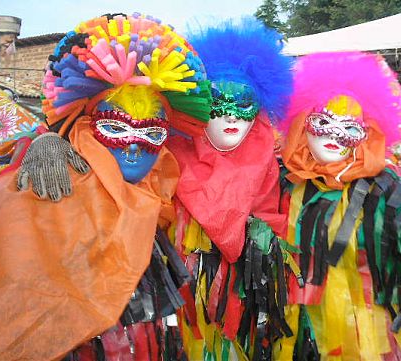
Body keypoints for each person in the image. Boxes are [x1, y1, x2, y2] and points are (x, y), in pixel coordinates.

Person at [0, 12, 211, 361]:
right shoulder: (52, 182)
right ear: (89, 126)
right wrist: (38, 140)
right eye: (116, 128)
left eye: (151, 133)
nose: (133, 147)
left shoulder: (164, 183)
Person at [277, 51, 401, 361]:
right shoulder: (285, 184)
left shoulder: (390, 189)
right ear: (302, 123)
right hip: (304, 334)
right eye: (323, 122)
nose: (335, 136)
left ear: (367, 132)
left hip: (375, 339)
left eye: (349, 128)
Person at [165, 18, 296, 360]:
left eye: (244, 103)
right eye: (218, 101)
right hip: (179, 324)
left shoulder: (281, 174)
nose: (230, 116)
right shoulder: (162, 162)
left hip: (248, 326)